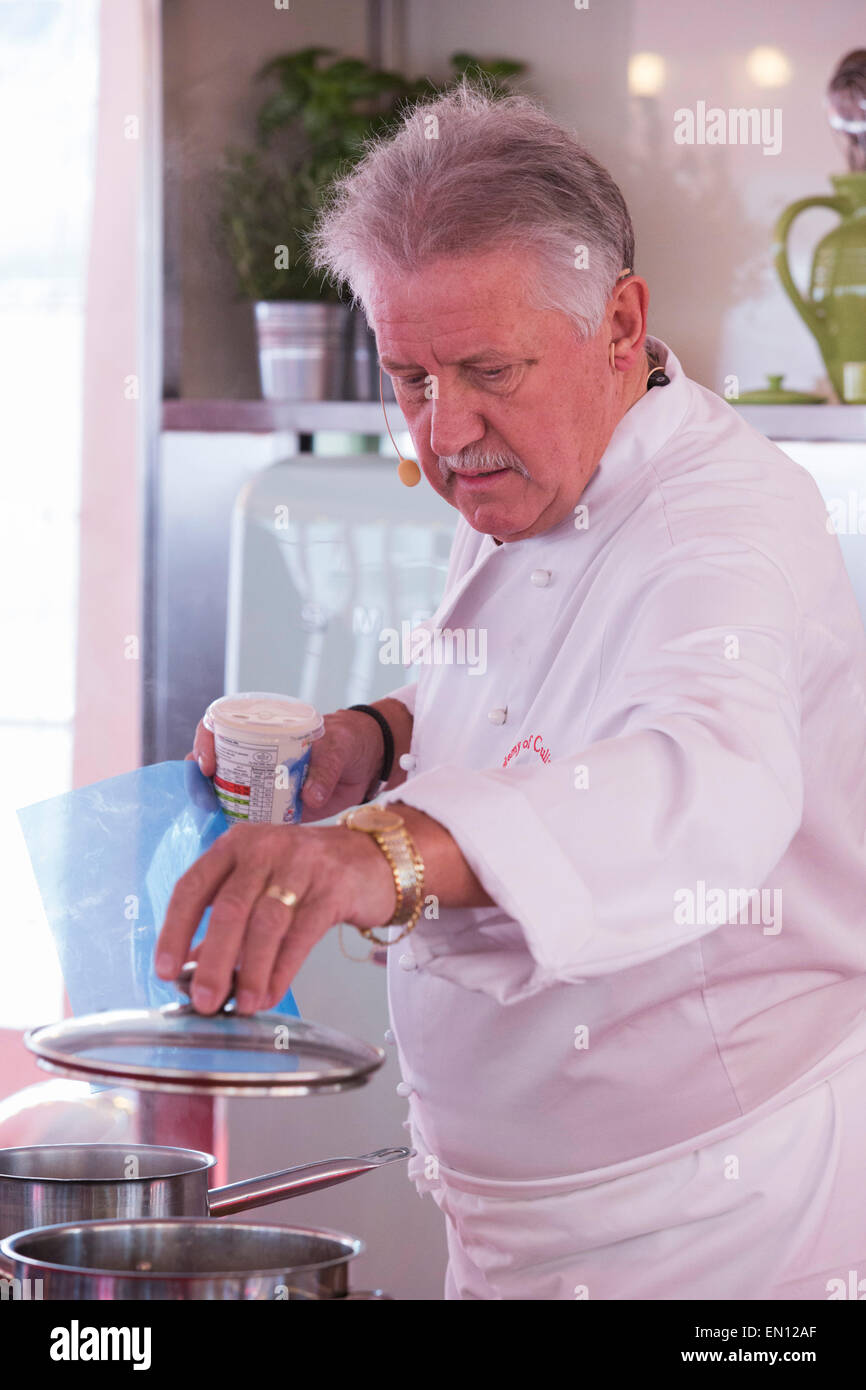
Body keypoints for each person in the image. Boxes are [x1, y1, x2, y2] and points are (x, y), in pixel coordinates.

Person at [156, 81, 866, 1300]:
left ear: (619, 323)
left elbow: (703, 776)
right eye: (409, 376)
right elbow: (536, 694)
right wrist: (377, 739)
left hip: (710, 1230)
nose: (445, 430)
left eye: (486, 369)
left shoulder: (727, 521)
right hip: (520, 1221)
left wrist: (383, 850)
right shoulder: (542, 461)